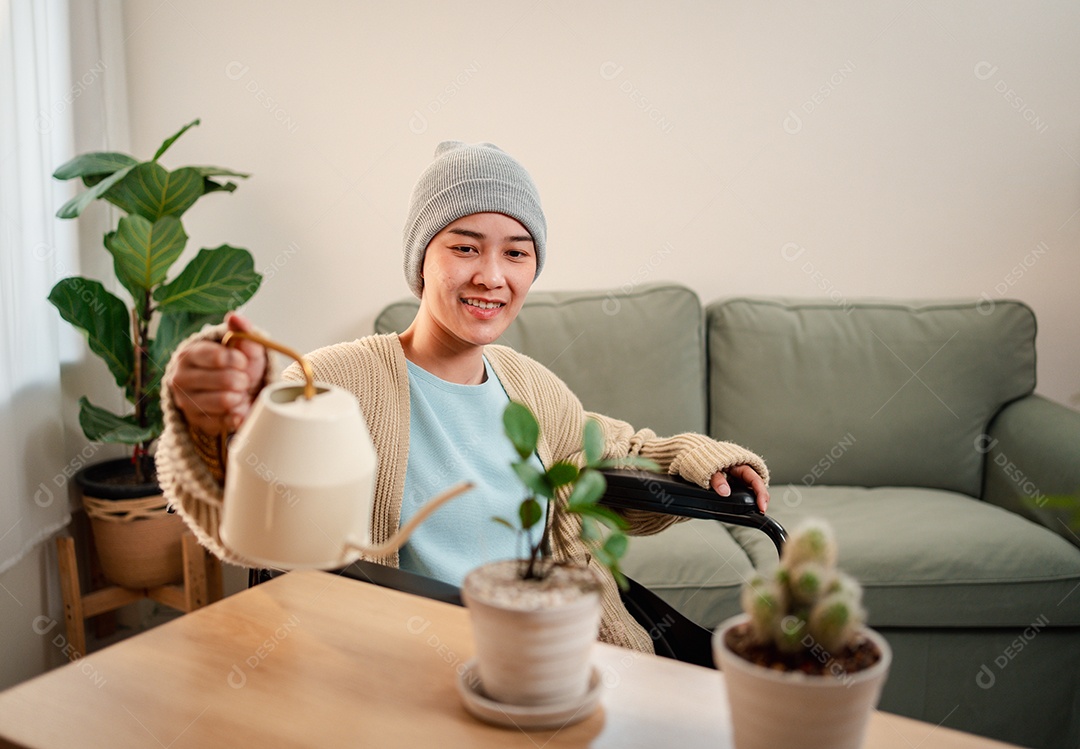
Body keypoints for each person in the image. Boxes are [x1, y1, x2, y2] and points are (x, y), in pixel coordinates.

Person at [156, 141, 770, 654]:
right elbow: (245, 485)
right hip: (404, 670)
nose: (492, 276)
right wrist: (214, 417)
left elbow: (613, 448)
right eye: (466, 246)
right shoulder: (337, 381)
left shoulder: (529, 387)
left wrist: (701, 459)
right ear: (422, 259)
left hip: (548, 659)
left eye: (516, 253)